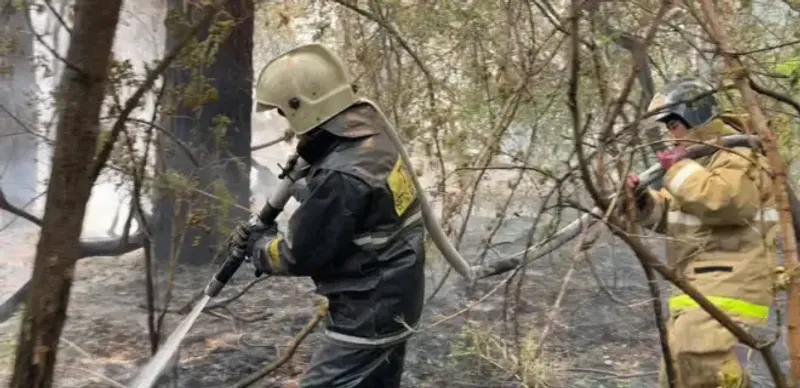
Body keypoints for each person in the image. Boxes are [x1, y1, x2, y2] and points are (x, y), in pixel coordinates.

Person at [233, 42, 425, 388]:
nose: (284, 120)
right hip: (396, 298)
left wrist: (259, 248)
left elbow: (301, 255)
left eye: (283, 111)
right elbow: (357, 212)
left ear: (303, 106)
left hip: (368, 312)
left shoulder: (341, 175)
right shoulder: (372, 138)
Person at [626, 77, 779, 388]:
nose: (670, 137)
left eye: (673, 126)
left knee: (704, 361)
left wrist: (678, 169)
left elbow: (727, 201)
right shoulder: (701, 160)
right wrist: (641, 201)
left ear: (692, 118)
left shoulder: (740, 154)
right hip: (696, 284)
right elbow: (673, 215)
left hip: (732, 282)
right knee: (678, 369)